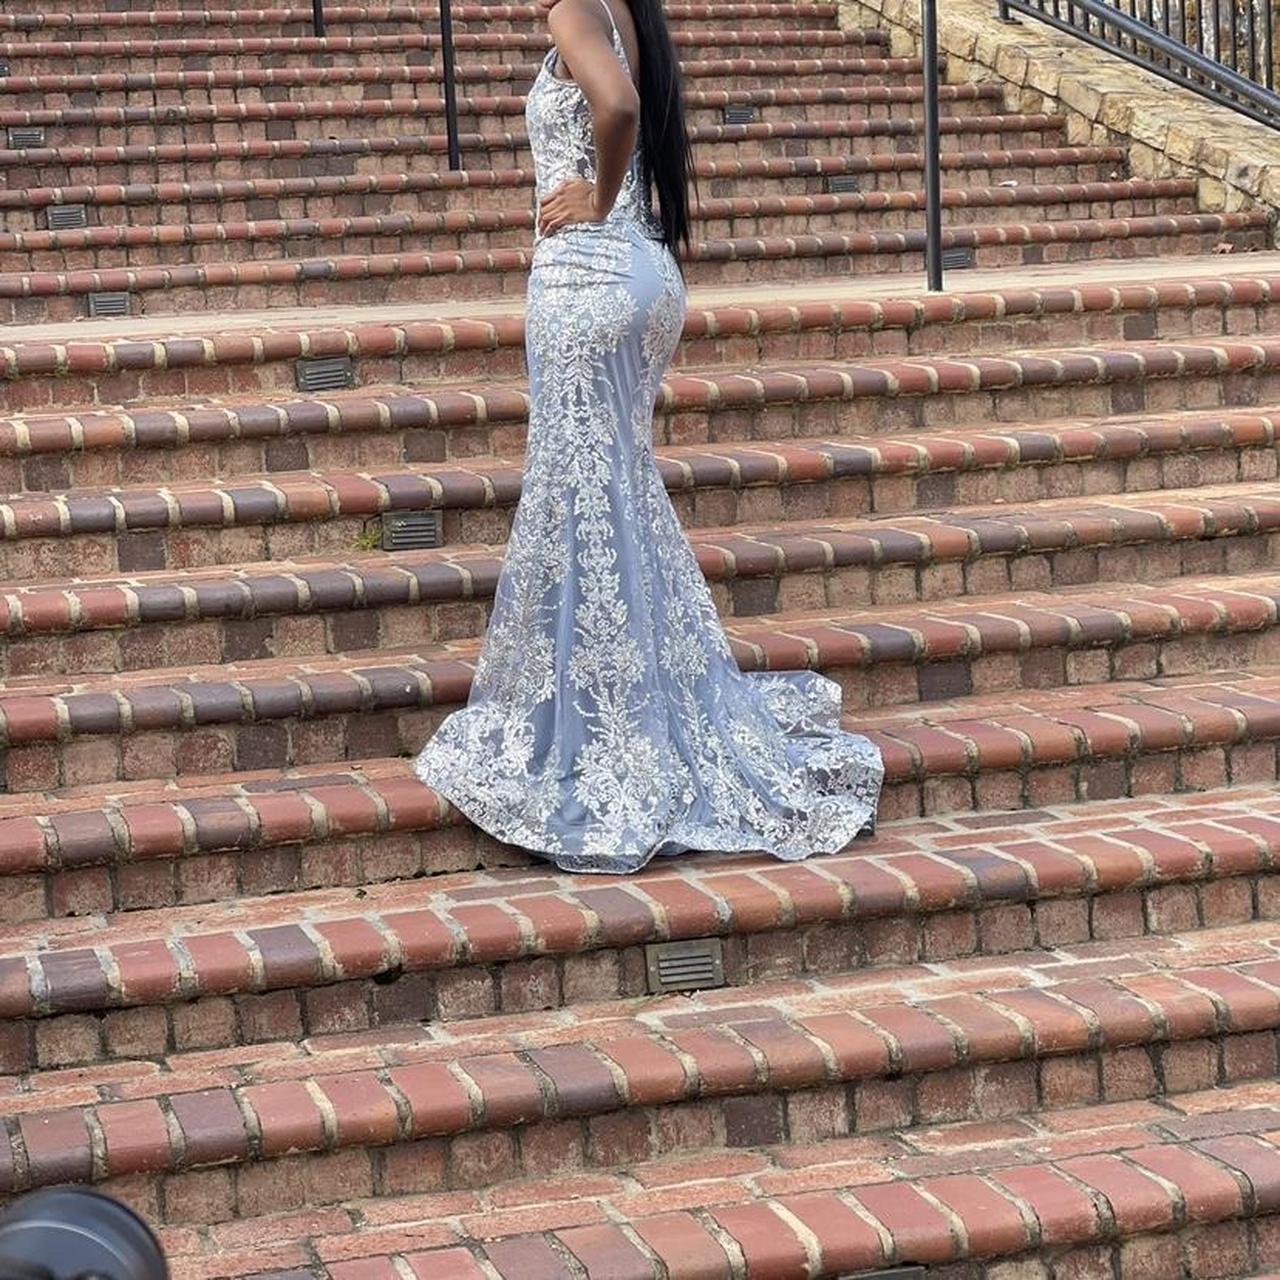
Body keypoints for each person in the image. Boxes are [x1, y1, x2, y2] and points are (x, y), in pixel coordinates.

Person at [413, 0, 883, 873]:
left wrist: (592, 199)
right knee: (612, 493)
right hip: (642, 275)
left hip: (589, 281)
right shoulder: (626, 10)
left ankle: (603, 733)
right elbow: (628, 105)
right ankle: (625, 705)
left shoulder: (574, 10)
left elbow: (619, 106)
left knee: (581, 500)